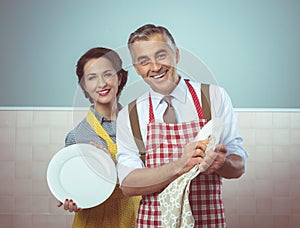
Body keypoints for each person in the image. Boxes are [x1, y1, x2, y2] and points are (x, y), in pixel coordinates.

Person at [116, 24, 248, 227]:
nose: (155, 67)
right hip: (154, 222)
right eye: (144, 61)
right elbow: (128, 185)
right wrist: (179, 166)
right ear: (136, 68)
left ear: (176, 54)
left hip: (207, 221)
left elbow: (238, 166)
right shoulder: (130, 115)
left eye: (161, 55)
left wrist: (223, 163)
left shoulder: (214, 97)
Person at [57, 47, 141, 228]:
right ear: (85, 86)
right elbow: (74, 183)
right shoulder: (77, 136)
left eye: (107, 74)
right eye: (92, 77)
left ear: (119, 78)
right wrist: (72, 198)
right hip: (96, 221)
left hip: (138, 217)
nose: (101, 83)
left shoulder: (140, 125)